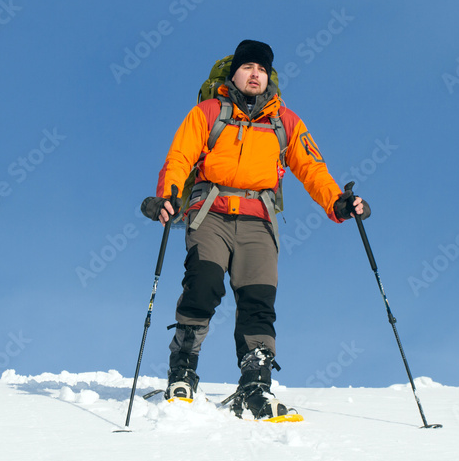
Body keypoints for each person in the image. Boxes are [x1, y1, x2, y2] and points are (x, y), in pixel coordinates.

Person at [140, 39, 369, 419]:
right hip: (210, 212)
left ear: (269, 78)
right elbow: (179, 157)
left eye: (262, 69)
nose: (255, 74)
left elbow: (311, 168)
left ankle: (255, 385)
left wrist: (337, 202)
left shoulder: (285, 122)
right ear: (233, 74)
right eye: (248, 66)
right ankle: (182, 372)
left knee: (258, 301)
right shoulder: (208, 112)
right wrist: (168, 197)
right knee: (203, 285)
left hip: (258, 219)